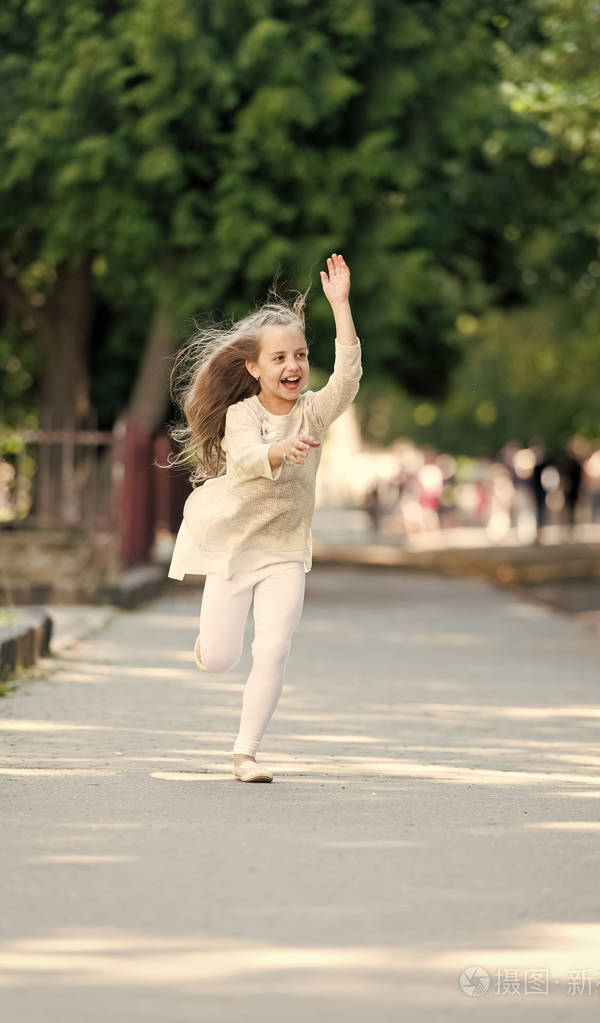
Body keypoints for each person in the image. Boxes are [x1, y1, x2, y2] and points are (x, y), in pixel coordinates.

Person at [165, 254, 362, 782]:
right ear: (254, 367)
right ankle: (209, 647)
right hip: (233, 549)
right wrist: (281, 451)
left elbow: (347, 377)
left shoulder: (315, 411)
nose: (292, 366)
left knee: (274, 646)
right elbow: (247, 458)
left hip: (285, 550)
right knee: (224, 658)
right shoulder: (242, 414)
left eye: (299, 355)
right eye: (278, 358)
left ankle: (245, 754)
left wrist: (340, 306)